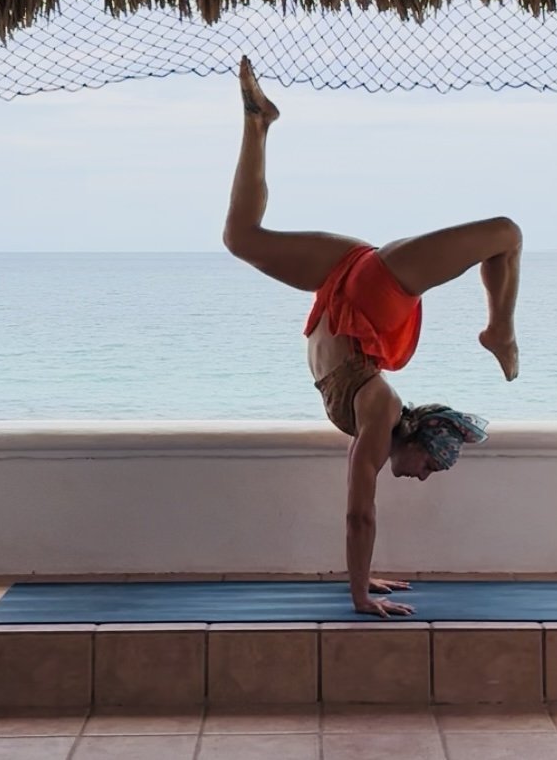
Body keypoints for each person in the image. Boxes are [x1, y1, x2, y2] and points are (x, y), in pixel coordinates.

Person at [222, 57, 522, 617]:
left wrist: (366, 577)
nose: (423, 477)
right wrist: (360, 597)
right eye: (430, 466)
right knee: (505, 233)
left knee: (240, 238)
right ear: (416, 442)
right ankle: (499, 330)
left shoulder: (375, 415)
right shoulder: (381, 411)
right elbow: (359, 514)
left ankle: (257, 122)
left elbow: (360, 512)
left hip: (341, 280)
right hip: (375, 293)